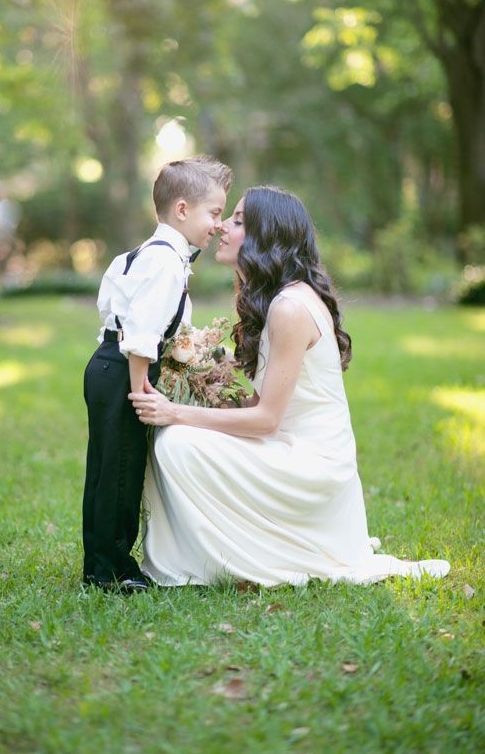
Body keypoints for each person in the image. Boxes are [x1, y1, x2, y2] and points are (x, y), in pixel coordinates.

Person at [129, 187, 450, 587]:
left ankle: (224, 561)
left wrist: (175, 412)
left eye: (239, 221)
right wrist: (203, 390)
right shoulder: (276, 300)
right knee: (176, 436)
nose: (222, 226)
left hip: (313, 464)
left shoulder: (291, 307)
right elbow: (261, 405)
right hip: (286, 446)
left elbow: (266, 420)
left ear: (268, 236)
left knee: (176, 441)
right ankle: (226, 547)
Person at [82, 156, 232, 592]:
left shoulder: (146, 254)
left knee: (107, 467)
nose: (219, 225)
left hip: (108, 364)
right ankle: (111, 571)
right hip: (126, 372)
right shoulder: (165, 262)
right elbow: (142, 333)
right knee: (122, 470)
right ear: (182, 210)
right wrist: (141, 392)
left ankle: (99, 564)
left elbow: (112, 310)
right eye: (215, 213)